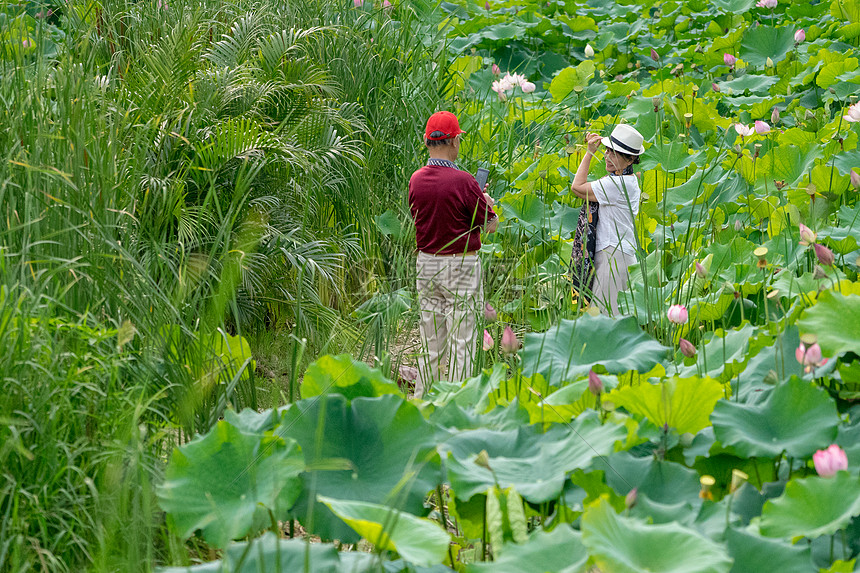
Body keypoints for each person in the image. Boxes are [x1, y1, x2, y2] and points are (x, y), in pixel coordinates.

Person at [408, 111, 497, 397]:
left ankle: (423, 401)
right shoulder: (464, 181)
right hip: (461, 265)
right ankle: (457, 402)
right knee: (464, 341)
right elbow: (489, 225)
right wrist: (486, 202)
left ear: (427, 141)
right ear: (455, 141)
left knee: (430, 341)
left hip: (426, 265)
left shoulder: (416, 180)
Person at [570, 124, 644, 315]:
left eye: (615, 153)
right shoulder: (628, 180)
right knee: (608, 317)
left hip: (613, 256)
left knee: (605, 319)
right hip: (617, 254)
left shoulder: (617, 184)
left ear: (630, 160)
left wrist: (588, 153)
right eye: (607, 150)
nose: (607, 156)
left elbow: (577, 187)